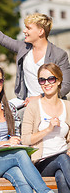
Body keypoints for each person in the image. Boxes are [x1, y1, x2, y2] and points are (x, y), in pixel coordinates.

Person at [0, 64, 54, 193]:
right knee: (19, 154)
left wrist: (15, 140)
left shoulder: (11, 108)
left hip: (8, 161)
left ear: (3, 82)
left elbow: (16, 137)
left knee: (21, 179)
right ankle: (45, 191)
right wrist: (6, 143)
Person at [0, 0, 70, 110]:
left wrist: (41, 97)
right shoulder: (24, 47)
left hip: (50, 105)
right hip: (27, 103)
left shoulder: (59, 54)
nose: (24, 31)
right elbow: (2, 38)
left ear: (40, 32)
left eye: (28, 28)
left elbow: (66, 86)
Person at [21, 63, 70, 193]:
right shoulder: (33, 106)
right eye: (42, 80)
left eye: (51, 79)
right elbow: (25, 140)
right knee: (62, 158)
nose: (46, 83)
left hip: (65, 163)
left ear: (59, 81)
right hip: (41, 164)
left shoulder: (67, 106)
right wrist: (48, 129)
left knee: (61, 176)